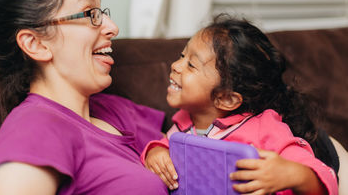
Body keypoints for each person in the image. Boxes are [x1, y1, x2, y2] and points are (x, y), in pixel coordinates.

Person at [0, 0, 169, 195]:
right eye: (91, 14)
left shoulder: (114, 109)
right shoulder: (36, 126)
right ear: (35, 44)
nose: (112, 28)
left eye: (103, 13)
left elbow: (190, 151)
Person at [142, 15, 338, 195]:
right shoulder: (183, 124)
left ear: (226, 99)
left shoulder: (266, 129)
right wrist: (155, 152)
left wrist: (293, 174)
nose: (176, 65)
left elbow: (325, 180)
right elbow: (164, 146)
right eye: (182, 56)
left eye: (191, 65)